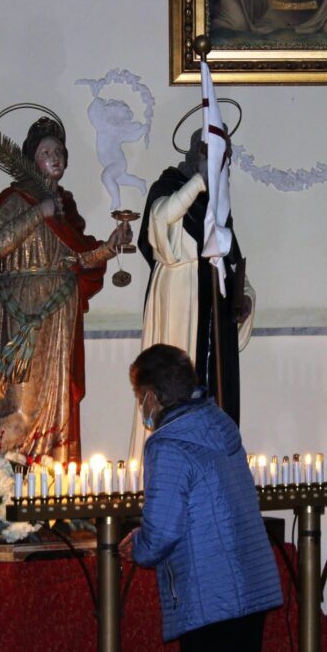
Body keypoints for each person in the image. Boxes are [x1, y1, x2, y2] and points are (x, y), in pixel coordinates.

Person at [0, 116, 130, 463]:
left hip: (58, 314)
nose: (54, 157)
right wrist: (39, 211)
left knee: (55, 399)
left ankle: (51, 473)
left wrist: (109, 247)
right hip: (21, 309)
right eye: (46, 151)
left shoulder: (66, 208)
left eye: (59, 151)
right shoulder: (15, 199)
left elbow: (77, 257)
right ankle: (3, 477)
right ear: (31, 158)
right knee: (18, 398)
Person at [119, 344, 282, 652]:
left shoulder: (167, 445)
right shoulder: (220, 423)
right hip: (251, 587)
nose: (142, 406)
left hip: (211, 596)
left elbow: (163, 533)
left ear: (152, 396)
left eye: (140, 398)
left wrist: (136, 546)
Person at [128, 128, 255, 465]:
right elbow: (159, 222)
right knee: (176, 388)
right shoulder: (170, 183)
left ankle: (216, 468)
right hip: (181, 299)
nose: (220, 161)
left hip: (216, 314)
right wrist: (198, 181)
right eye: (214, 152)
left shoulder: (219, 202)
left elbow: (232, 262)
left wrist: (245, 301)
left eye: (224, 155)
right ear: (197, 151)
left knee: (217, 392)